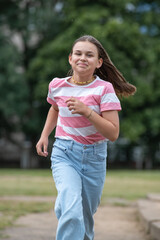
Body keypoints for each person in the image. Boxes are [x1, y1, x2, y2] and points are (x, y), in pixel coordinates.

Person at [36, 35, 136, 240]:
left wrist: (87, 112)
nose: (83, 58)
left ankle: (68, 205)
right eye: (78, 53)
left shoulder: (104, 89)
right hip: (64, 153)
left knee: (85, 217)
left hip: (94, 158)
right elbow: (55, 108)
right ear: (70, 58)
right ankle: (68, 204)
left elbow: (113, 133)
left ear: (98, 63)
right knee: (72, 211)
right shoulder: (57, 85)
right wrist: (44, 135)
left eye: (89, 55)